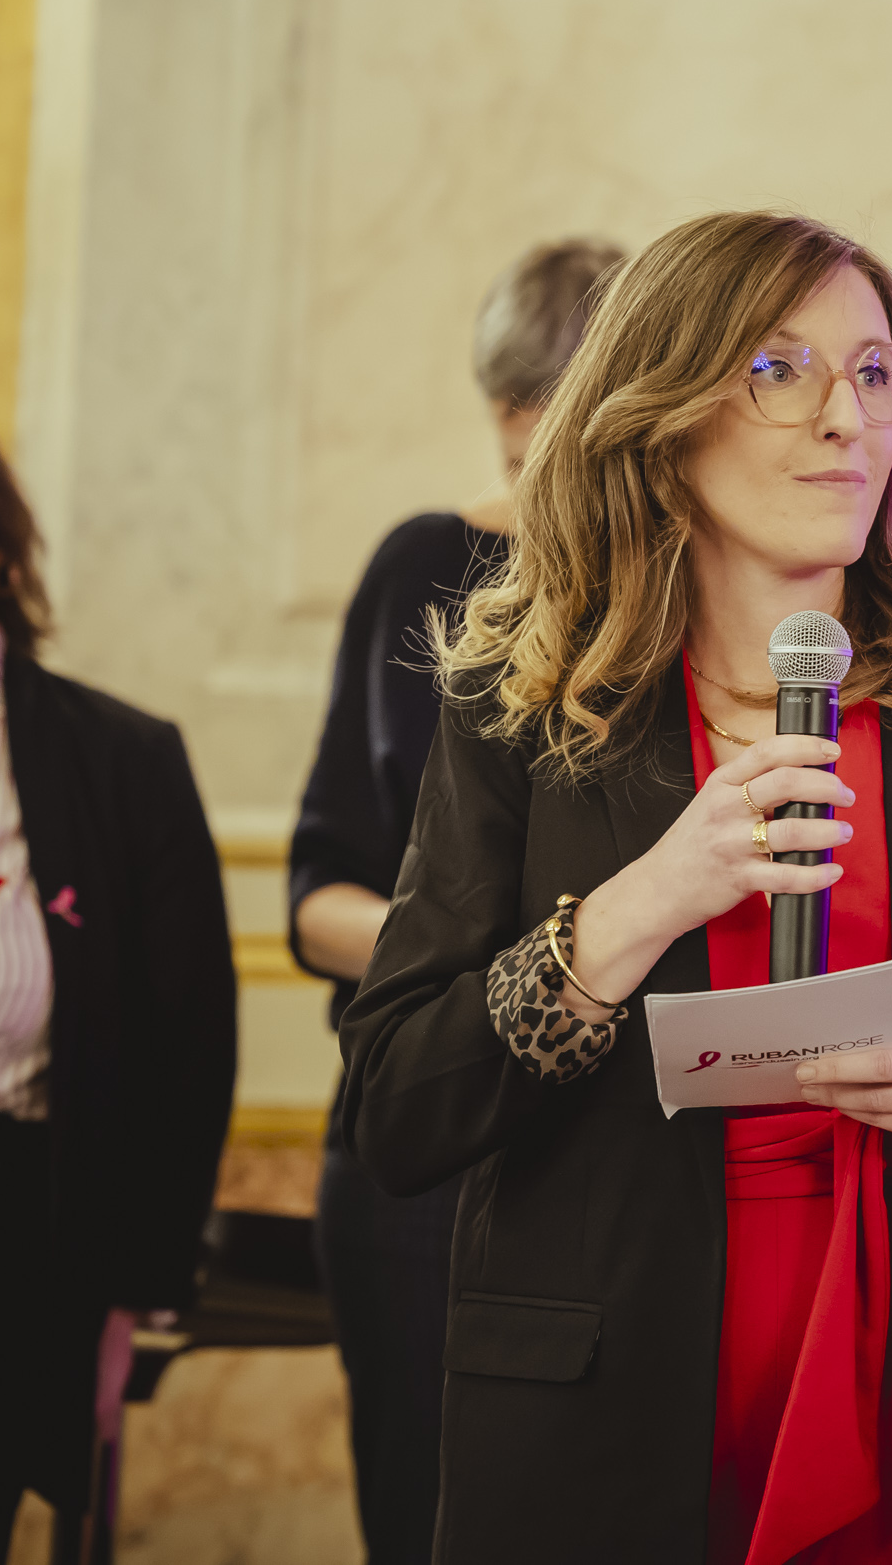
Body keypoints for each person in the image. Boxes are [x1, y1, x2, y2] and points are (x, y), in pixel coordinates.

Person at [337, 210, 892, 1564]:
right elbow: (399, 1103)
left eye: (875, 374)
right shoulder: (530, 716)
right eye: (779, 370)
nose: (846, 417)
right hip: (600, 1435)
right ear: (665, 421)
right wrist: (636, 906)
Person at [289, 236, 622, 1565]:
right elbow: (318, 894)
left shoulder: (669, 588)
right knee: (428, 1519)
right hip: (425, 1128)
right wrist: (511, 963)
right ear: (514, 412)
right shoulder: (420, 565)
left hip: (603, 1139)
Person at [0, 387, 235, 1557]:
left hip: (1, 1250)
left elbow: (187, 1049)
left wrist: (126, 1302)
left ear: (0, 539)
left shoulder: (121, 762)